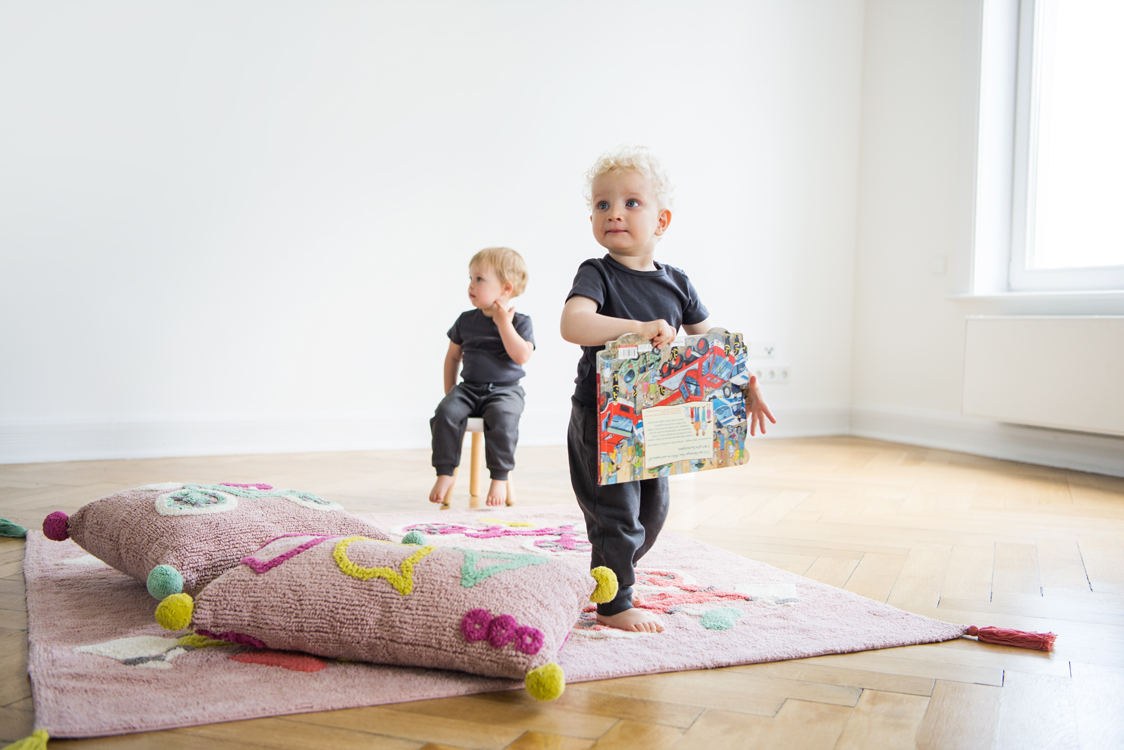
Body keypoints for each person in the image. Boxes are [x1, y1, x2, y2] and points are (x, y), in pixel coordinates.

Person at [560, 147, 775, 632]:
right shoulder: (597, 273)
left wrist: (745, 382)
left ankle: (612, 571)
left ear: (662, 220)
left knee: (651, 513)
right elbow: (573, 324)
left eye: (631, 202)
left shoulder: (677, 283)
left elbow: (708, 344)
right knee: (618, 513)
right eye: (602, 205)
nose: (614, 211)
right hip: (603, 416)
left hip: (658, 419)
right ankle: (614, 603)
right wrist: (633, 327)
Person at [429, 247, 534, 507]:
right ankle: (445, 472)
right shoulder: (465, 321)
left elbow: (522, 356)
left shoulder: (520, 322)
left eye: (479, 279)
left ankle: (499, 476)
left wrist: (503, 324)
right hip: (469, 389)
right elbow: (453, 357)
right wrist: (450, 392)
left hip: (505, 391)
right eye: (470, 279)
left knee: (503, 418)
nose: (471, 285)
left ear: (506, 288)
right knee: (445, 413)